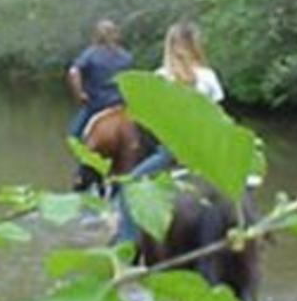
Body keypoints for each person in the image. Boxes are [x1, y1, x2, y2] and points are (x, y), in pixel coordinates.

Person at [114, 22, 226, 243]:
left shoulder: (160, 77)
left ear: (169, 45)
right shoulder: (209, 77)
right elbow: (219, 120)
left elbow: (151, 121)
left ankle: (127, 244)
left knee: (129, 187)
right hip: (207, 154)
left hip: (172, 153)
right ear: (196, 45)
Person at [66, 19, 133, 140]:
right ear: (116, 34)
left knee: (73, 135)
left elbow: (73, 72)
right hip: (122, 103)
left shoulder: (90, 54)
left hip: (98, 103)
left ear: (97, 35)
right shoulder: (126, 56)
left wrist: (80, 94)